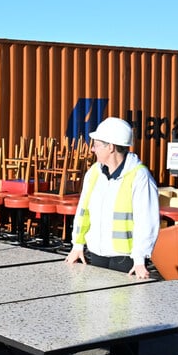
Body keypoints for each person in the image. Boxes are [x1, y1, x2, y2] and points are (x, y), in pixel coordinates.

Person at [65, 116, 160, 279]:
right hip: (95, 253)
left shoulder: (139, 176)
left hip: (124, 258)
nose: (92, 149)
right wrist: (77, 245)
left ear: (110, 147)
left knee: (120, 303)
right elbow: (83, 212)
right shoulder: (93, 173)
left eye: (96, 145)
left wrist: (139, 259)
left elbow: (146, 220)